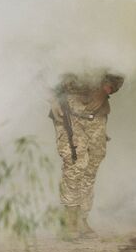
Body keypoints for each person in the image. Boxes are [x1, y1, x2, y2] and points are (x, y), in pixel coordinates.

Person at [49, 70, 124, 239]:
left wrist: (106, 89)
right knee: (75, 163)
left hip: (96, 109)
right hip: (68, 106)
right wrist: (52, 100)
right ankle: (70, 220)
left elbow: (119, 69)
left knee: (92, 164)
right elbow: (40, 69)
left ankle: (82, 218)